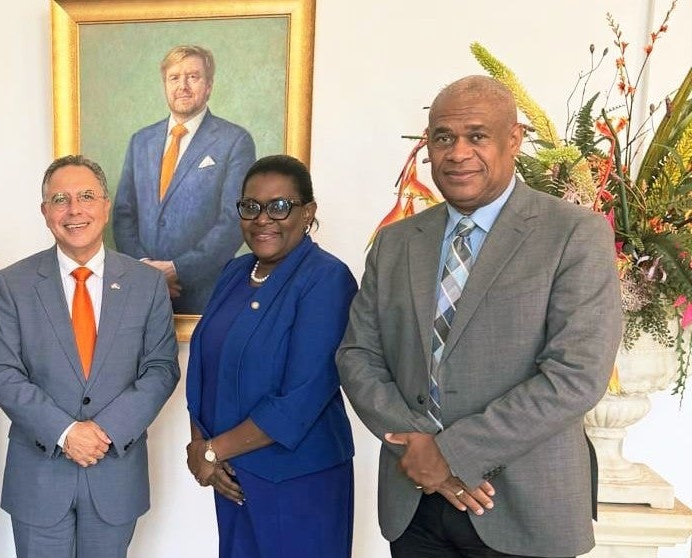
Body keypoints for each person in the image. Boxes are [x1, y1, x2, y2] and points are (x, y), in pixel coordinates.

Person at [337, 75, 622, 558]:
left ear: (514, 139)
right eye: (443, 137)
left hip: (524, 510)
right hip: (416, 504)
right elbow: (358, 356)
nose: (457, 152)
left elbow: (576, 375)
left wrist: (450, 454)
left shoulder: (574, 234)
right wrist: (419, 452)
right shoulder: (397, 243)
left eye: (477, 135)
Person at [0, 155, 180, 557]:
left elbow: (161, 369)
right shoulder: (14, 283)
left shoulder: (146, 284)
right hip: (39, 476)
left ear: (106, 206)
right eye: (60, 199)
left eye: (86, 196)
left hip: (115, 473)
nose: (74, 210)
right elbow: (1, 370)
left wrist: (103, 430)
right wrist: (66, 432)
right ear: (45, 212)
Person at [184, 155, 356, 558]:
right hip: (231, 476)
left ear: (308, 212)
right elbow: (204, 367)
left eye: (280, 206)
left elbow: (302, 397)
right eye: (251, 206)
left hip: (298, 480)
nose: (263, 218)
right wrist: (200, 448)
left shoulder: (326, 278)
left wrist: (212, 451)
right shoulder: (235, 272)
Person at [112, 44, 257, 314]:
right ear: (165, 85)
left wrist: (178, 269)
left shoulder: (234, 140)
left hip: (203, 296)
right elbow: (123, 215)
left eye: (193, 76)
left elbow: (233, 220)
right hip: (140, 294)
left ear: (209, 85)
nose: (183, 86)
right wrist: (145, 269)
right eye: (174, 78)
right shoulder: (140, 141)